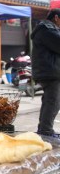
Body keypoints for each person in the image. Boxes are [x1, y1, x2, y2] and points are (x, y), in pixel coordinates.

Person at [31, 8, 60, 137]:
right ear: (56, 18)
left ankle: (44, 129)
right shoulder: (47, 29)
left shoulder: (46, 29)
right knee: (53, 101)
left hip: (50, 71)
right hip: (50, 73)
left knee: (51, 100)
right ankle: (46, 131)